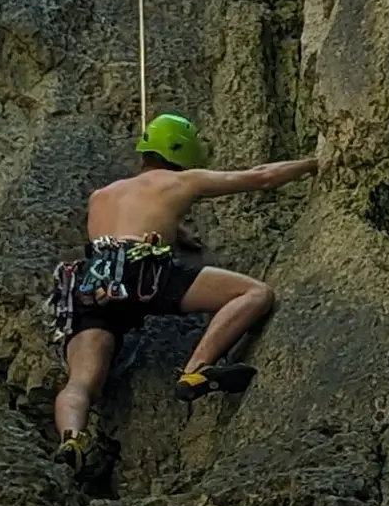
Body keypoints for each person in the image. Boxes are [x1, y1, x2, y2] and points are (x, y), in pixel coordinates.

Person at [49, 112, 318, 452]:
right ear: (183, 150)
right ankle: (196, 370)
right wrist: (314, 162)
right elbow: (262, 177)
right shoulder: (182, 181)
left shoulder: (100, 195)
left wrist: (177, 232)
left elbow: (124, 229)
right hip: (142, 271)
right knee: (253, 293)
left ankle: (71, 440)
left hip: (94, 284)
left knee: (82, 383)